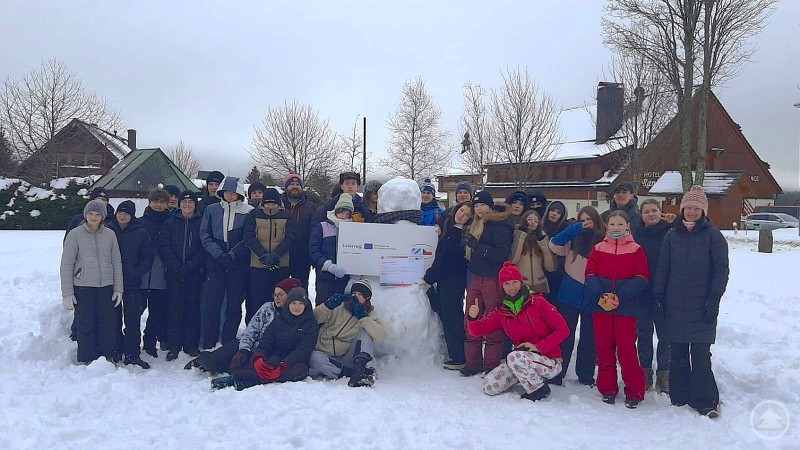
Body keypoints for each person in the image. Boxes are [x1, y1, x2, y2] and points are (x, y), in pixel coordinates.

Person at [653, 186, 729, 418]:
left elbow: (721, 272)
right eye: (689, 208)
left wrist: (713, 301)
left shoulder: (713, 236)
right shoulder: (671, 235)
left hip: (702, 305)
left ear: (703, 211)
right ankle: (680, 395)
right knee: (677, 352)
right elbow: (663, 269)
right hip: (674, 304)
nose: (693, 212)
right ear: (682, 209)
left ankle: (706, 400)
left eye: (698, 208)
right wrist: (658, 297)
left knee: (700, 355)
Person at [467, 262, 569, 401]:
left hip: (549, 361)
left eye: (514, 282)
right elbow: (477, 331)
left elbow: (563, 330)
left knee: (514, 357)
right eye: (507, 283)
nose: (511, 287)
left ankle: (539, 389)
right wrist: (472, 317)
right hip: (521, 361)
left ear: (521, 282)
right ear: (501, 286)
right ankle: (528, 378)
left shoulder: (538, 302)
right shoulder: (502, 311)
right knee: (489, 386)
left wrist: (539, 347)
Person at [585, 211, 650, 408]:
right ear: (606, 226)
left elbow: (642, 277)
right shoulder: (597, 248)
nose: (615, 227)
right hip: (602, 306)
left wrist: (620, 296)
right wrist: (602, 295)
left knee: (627, 349)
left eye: (620, 224)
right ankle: (607, 388)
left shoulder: (636, 249)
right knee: (604, 348)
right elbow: (590, 273)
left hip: (626, 307)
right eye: (612, 224)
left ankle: (634, 391)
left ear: (628, 226)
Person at [211, 287, 319, 390]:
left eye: (300, 303)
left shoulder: (311, 324)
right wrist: (259, 356)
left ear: (306, 305)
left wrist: (284, 364)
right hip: (275, 355)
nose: (297, 307)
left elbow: (303, 350)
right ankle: (246, 377)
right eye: (293, 303)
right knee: (265, 365)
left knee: (300, 371)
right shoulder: (279, 319)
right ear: (288, 304)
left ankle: (243, 379)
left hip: (294, 361)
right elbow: (267, 339)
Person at [185, 278, 301, 373]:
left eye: (281, 294)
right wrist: (244, 349)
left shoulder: (297, 313)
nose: (277, 298)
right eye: (275, 294)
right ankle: (201, 360)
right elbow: (251, 330)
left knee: (235, 369)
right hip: (245, 345)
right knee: (214, 361)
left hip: (264, 353)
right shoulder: (267, 308)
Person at [60, 199, 123, 364]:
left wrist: (118, 289)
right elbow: (66, 265)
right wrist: (67, 293)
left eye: (97, 214)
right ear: (85, 215)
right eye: (90, 214)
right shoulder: (75, 234)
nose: (93, 217)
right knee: (86, 323)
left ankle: (106, 357)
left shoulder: (110, 234)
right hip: (83, 287)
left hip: (106, 287)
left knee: (107, 323)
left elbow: (116, 262)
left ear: (103, 216)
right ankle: (87, 357)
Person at [548, 206, 605, 386]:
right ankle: (558, 373)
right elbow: (553, 244)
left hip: (592, 296)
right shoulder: (572, 241)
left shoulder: (603, 242)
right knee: (565, 336)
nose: (586, 222)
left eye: (589, 219)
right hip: (569, 295)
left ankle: (586, 375)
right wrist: (576, 228)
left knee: (589, 338)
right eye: (582, 219)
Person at [461, 190, 514, 377]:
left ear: (490, 206)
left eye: (482, 205)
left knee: (491, 320)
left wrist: (477, 246)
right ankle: (472, 362)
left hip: (492, 278)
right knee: (472, 318)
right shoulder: (476, 223)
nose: (479, 209)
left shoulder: (500, 224)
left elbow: (501, 254)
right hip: (476, 276)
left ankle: (490, 364)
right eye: (475, 206)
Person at [200, 176, 253, 349]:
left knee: (234, 305)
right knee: (212, 305)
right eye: (227, 193)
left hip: (237, 265)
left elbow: (248, 238)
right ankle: (209, 343)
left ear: (239, 194)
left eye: (234, 193)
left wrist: (231, 255)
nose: (230, 196)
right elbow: (204, 234)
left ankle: (228, 342)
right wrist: (218, 254)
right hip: (215, 264)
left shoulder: (248, 211)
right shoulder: (211, 209)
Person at [309, 279, 387, 387]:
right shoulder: (339, 305)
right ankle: (352, 373)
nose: (355, 296)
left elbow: (381, 335)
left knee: (365, 333)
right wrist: (327, 306)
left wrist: (363, 317)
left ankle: (359, 369)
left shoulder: (370, 314)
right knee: (314, 358)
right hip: (324, 353)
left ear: (367, 298)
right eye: (354, 293)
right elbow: (314, 318)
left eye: (360, 294)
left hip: (347, 356)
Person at [422, 201, 472, 370]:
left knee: (452, 317)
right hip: (447, 279)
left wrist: (429, 277)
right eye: (462, 210)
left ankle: (459, 357)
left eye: (467, 215)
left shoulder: (460, 234)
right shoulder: (450, 228)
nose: (462, 214)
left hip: (452, 279)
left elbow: (443, 258)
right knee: (447, 313)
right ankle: (459, 354)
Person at [633, 199, 676, 393]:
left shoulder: (670, 232)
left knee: (665, 335)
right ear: (641, 215)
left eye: (654, 211)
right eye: (646, 211)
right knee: (643, 335)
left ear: (661, 213)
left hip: (665, 293)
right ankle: (645, 373)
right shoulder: (636, 235)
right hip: (642, 292)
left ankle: (664, 375)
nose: (651, 214)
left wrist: (673, 223)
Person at [161, 191, 206, 361]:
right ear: (179, 204)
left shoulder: (201, 223)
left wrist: (191, 265)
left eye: (191, 202)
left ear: (195, 204)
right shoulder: (170, 222)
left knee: (193, 310)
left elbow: (204, 246)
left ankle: (191, 345)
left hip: (195, 273)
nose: (187, 205)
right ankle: (174, 345)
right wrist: (176, 265)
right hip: (174, 273)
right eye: (184, 202)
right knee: (174, 309)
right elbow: (164, 246)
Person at [108, 200, 154, 368]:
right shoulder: (108, 229)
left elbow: (147, 257)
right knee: (113, 319)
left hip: (132, 283)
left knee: (133, 320)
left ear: (132, 216)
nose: (122, 216)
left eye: (126, 213)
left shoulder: (141, 232)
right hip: (111, 282)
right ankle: (115, 350)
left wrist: (135, 272)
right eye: (120, 212)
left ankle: (132, 353)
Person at [244, 187, 297, 322]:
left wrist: (275, 255)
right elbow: (249, 237)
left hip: (280, 265)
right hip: (258, 265)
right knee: (256, 301)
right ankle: (254, 330)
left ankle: (277, 330)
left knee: (279, 300)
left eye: (273, 203)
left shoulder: (286, 215)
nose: (270, 206)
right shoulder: (254, 214)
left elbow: (290, 237)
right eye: (267, 203)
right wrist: (263, 255)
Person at [139, 188, 171, 358]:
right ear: (149, 202)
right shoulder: (139, 223)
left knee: (157, 313)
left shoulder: (171, 222)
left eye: (162, 202)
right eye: (155, 201)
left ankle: (150, 343)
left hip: (161, 275)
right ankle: (131, 341)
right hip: (141, 275)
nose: (158, 205)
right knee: (135, 311)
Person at [308, 193, 353, 305]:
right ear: (336, 211)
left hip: (344, 277)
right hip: (325, 277)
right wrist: (327, 265)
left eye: (347, 213)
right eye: (342, 212)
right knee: (323, 307)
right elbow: (313, 248)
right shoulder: (322, 227)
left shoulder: (354, 229)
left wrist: (353, 277)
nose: (344, 215)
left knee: (341, 311)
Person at [281, 174, 317, 288]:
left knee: (301, 289)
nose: (295, 187)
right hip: (281, 256)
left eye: (297, 184)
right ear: (286, 187)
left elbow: (314, 232)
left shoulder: (310, 207)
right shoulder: (278, 205)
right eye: (291, 184)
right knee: (280, 290)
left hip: (302, 256)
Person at [510, 210, 555, 294]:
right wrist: (521, 235)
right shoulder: (516, 235)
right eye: (529, 219)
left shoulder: (543, 238)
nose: (532, 222)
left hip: (540, 284)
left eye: (536, 221)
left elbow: (550, 267)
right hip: (522, 284)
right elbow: (513, 260)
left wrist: (542, 242)